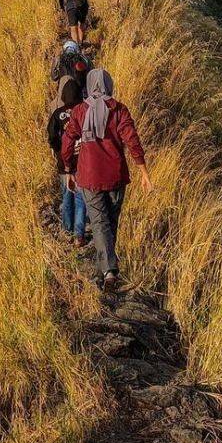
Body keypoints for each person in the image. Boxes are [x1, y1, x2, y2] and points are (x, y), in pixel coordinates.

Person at [62, 68, 151, 290]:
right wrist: (143, 172)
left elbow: (66, 142)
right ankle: (109, 269)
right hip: (116, 175)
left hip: (89, 176)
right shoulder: (119, 110)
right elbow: (132, 140)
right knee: (110, 223)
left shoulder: (80, 111)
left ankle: (108, 270)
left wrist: (69, 168)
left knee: (101, 223)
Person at [47, 77, 87, 245]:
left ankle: (67, 230)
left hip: (64, 163)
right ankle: (79, 234)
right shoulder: (84, 111)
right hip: (83, 162)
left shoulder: (58, 114)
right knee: (80, 198)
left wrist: (58, 151)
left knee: (66, 196)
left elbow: (51, 136)